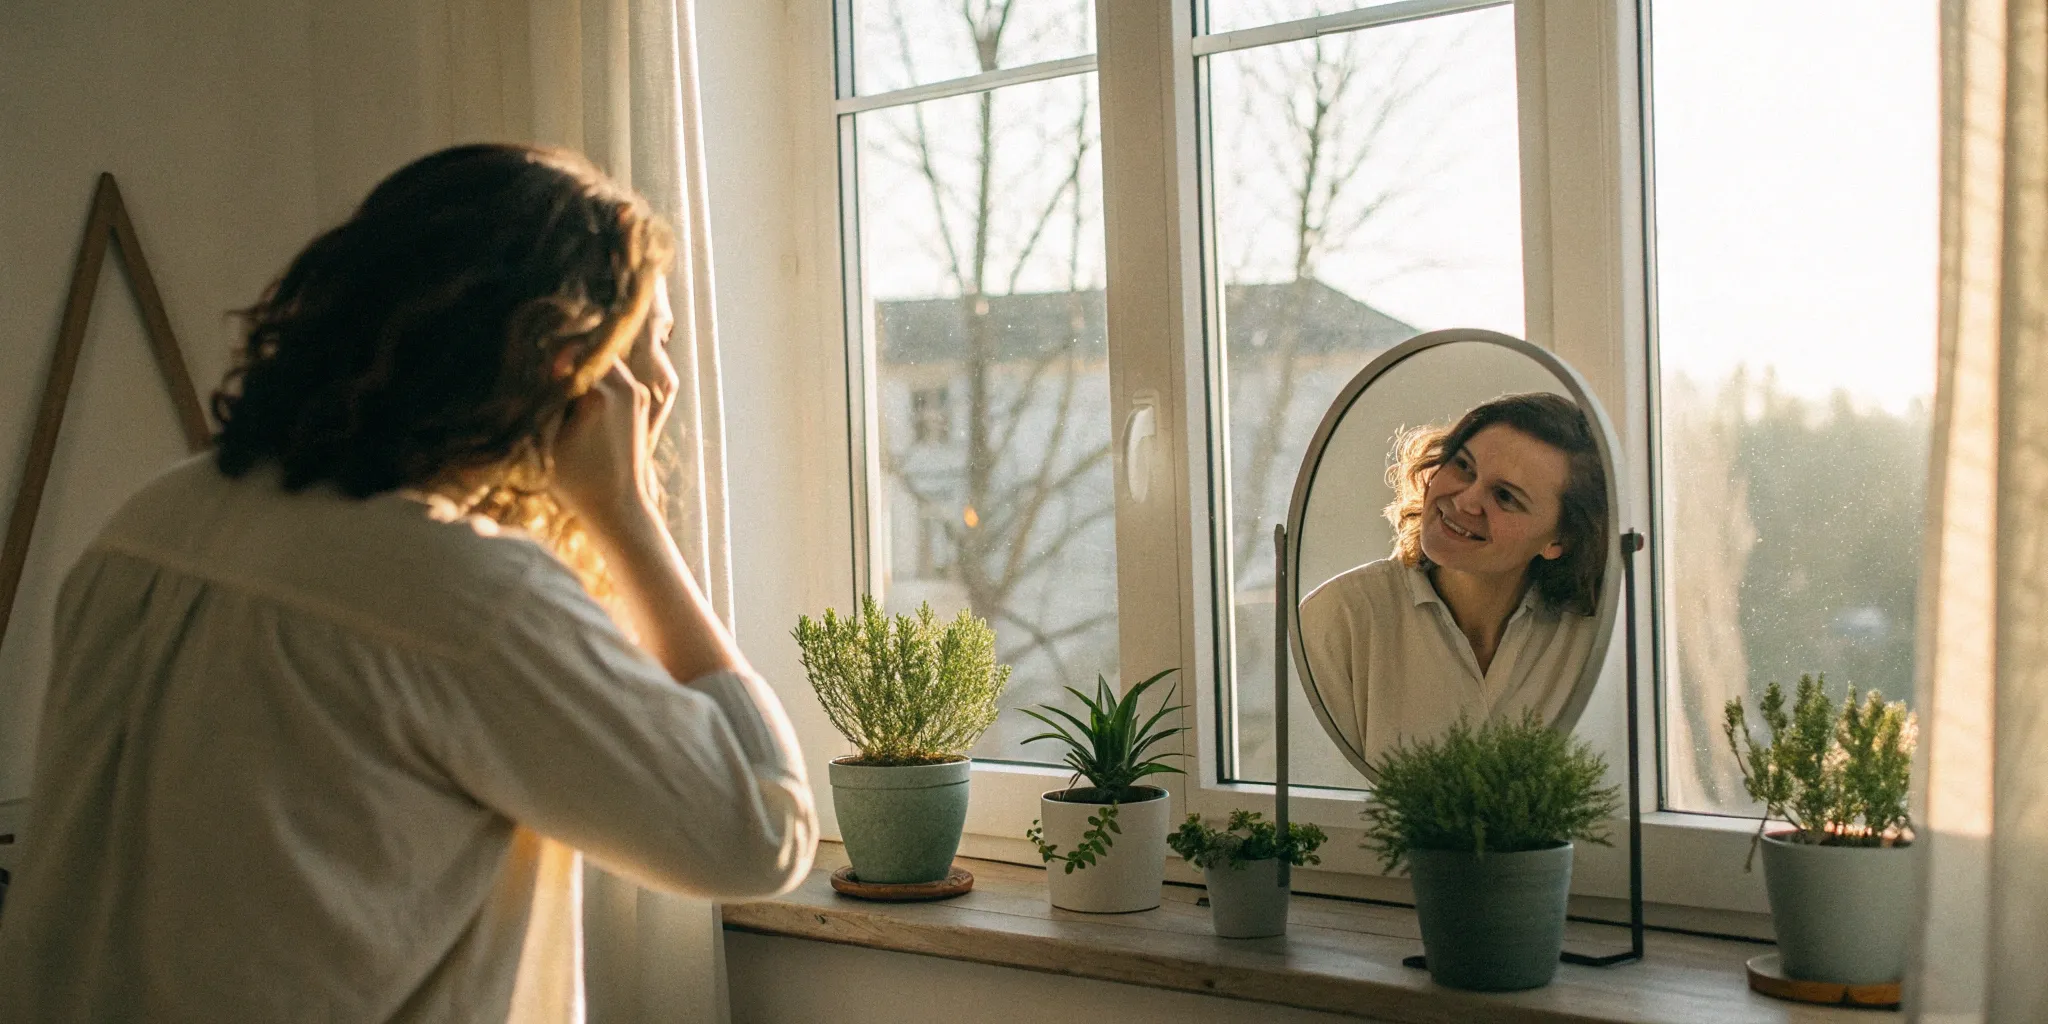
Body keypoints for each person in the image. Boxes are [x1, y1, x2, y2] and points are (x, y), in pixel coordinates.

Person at [0, 144, 816, 1023]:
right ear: (565, 365)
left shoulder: (147, 525)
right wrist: (630, 518)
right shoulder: (473, 602)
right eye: (649, 343)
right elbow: (763, 837)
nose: (665, 382)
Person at [1298, 392, 1609, 764]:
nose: (1465, 501)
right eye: (1464, 466)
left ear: (1559, 540)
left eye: (1506, 496)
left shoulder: (1597, 640)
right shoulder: (1338, 618)